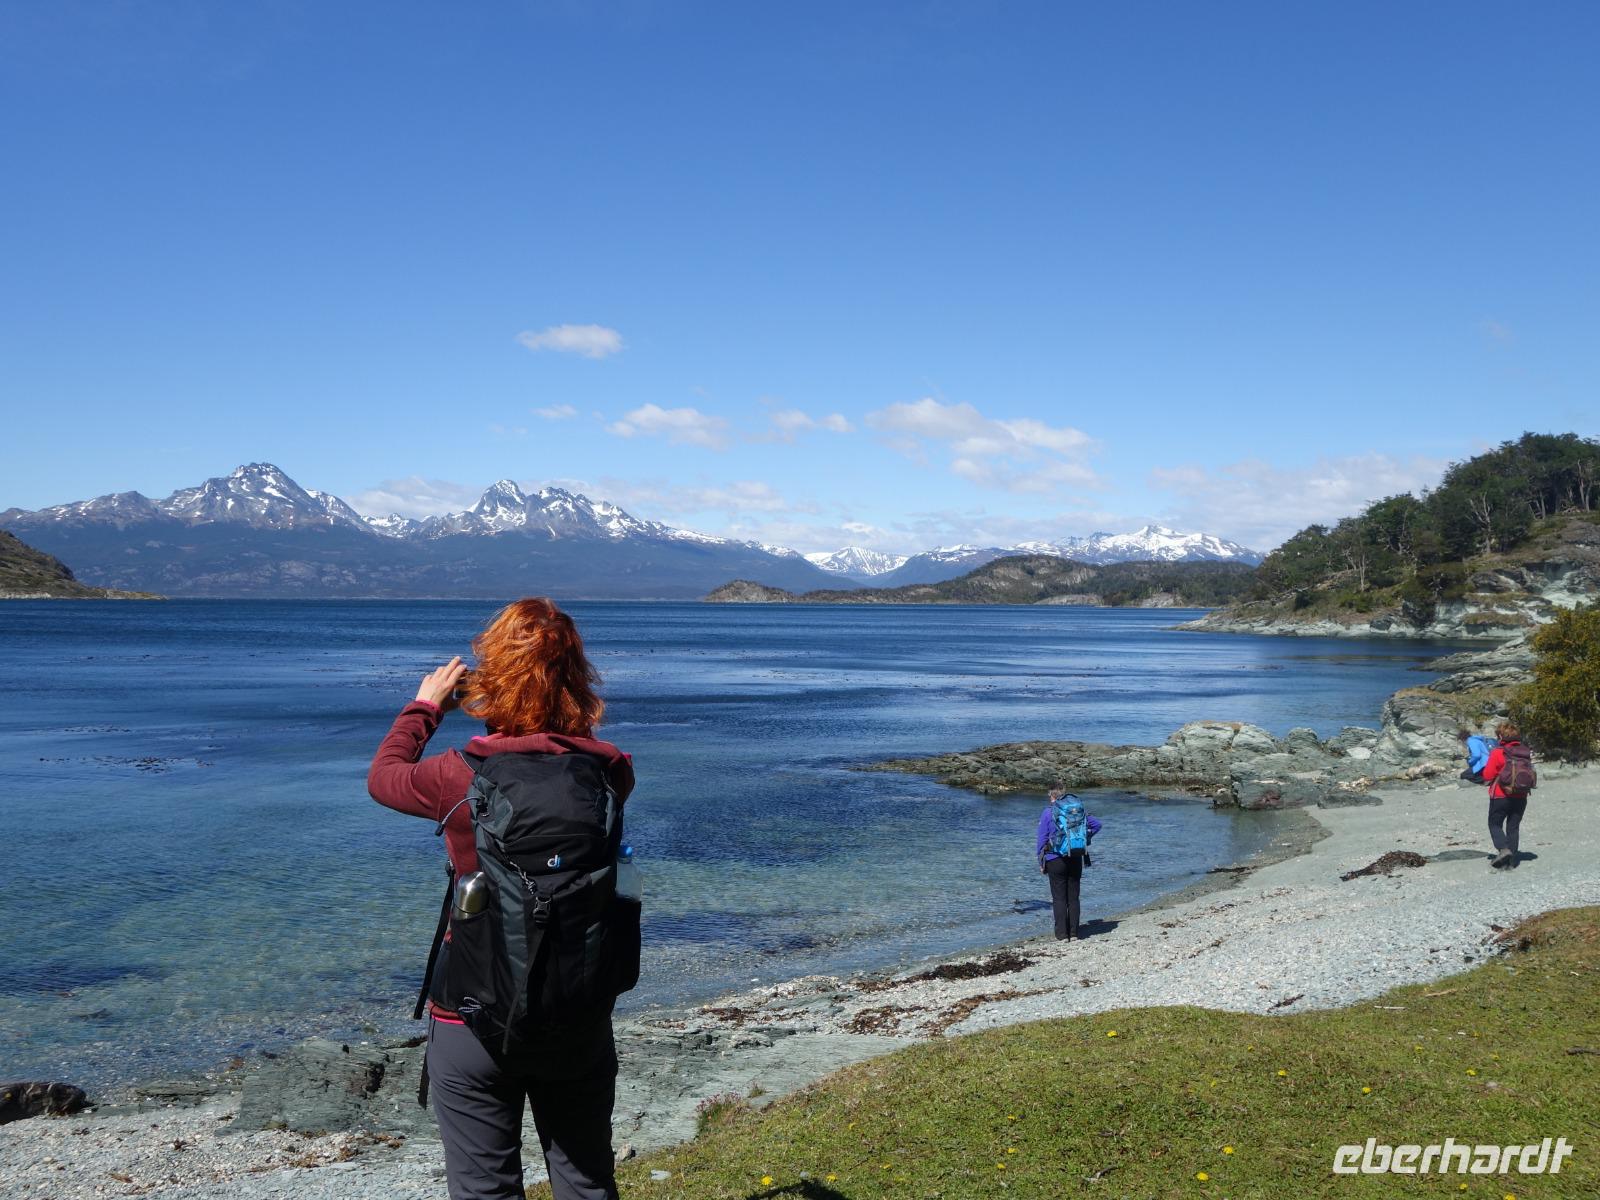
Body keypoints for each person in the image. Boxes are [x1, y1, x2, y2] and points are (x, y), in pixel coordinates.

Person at [368, 598, 634, 1200]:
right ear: (578, 677)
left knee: (485, 1188)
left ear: (489, 680)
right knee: (586, 1181)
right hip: (577, 1004)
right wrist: (549, 695)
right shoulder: (612, 771)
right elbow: (566, 757)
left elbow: (383, 777)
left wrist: (427, 705)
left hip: (470, 1009)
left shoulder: (456, 775)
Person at [1035, 788, 1102, 940]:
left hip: (1054, 859)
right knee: (1073, 897)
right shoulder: (1078, 811)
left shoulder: (1048, 812)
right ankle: (1074, 933)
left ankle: (1062, 935)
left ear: (1052, 797)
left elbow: (1041, 839)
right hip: (1076, 856)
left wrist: (1041, 861)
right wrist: (1085, 837)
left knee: (1059, 898)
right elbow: (1097, 825)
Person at [1480, 721, 1531, 870]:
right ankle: (1511, 861)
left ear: (1501, 736)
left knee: (1494, 823)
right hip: (1521, 795)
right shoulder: (1525, 752)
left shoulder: (1498, 752)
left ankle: (1503, 849)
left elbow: (1488, 774)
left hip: (1501, 795)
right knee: (1513, 827)